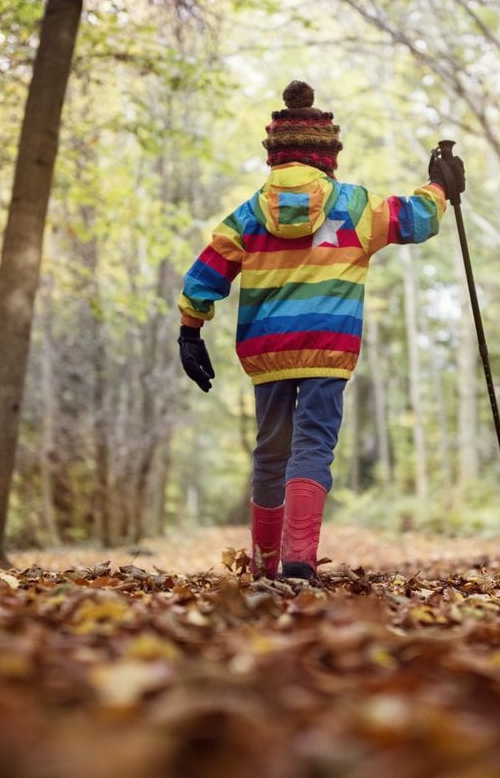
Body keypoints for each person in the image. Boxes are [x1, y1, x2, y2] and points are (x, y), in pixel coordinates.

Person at [176, 80, 464, 581]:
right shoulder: (353, 207)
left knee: (271, 451)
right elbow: (415, 220)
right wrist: (440, 187)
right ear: (327, 155)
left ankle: (265, 566)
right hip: (328, 348)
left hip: (266, 351)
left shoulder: (247, 215)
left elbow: (206, 273)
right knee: (312, 445)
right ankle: (299, 563)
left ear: (275, 156)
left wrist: (190, 330)